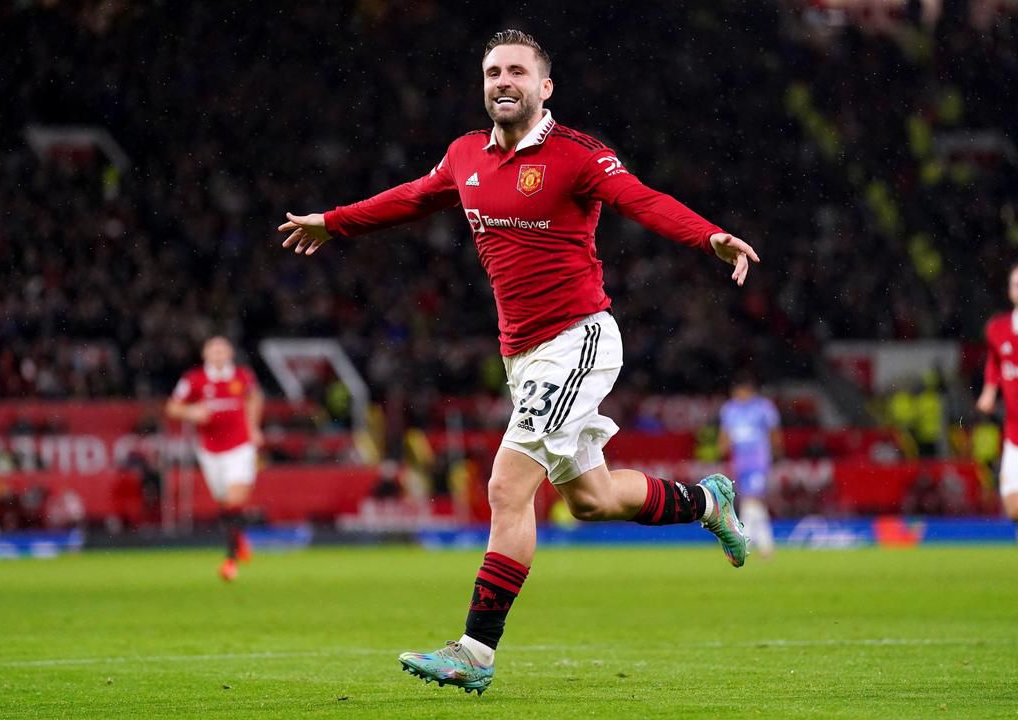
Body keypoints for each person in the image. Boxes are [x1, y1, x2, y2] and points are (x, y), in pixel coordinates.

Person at [277, 30, 759, 695]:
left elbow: (643, 199)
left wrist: (709, 235)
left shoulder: (578, 155)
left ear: (544, 87)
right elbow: (413, 197)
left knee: (507, 488)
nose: (503, 81)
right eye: (493, 72)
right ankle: (708, 502)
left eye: (517, 72)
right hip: (523, 355)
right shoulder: (465, 154)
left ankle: (475, 650)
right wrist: (335, 222)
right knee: (591, 500)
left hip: (578, 340)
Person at [165, 336, 264, 581]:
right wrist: (192, 411)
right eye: (214, 351)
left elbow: (255, 398)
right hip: (210, 451)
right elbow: (172, 407)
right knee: (224, 501)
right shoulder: (194, 379)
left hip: (240, 447)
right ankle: (238, 538)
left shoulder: (242, 376)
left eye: (222, 351)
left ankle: (230, 561)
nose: (218, 355)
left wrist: (253, 427)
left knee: (234, 498)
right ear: (205, 355)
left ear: (230, 354)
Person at [719, 373, 782, 558]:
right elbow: (725, 434)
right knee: (752, 501)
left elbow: (774, 432)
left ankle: (743, 542)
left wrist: (777, 452)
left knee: (751, 498)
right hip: (740, 462)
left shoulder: (764, 407)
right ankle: (766, 545)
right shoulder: (729, 409)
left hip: (758, 460)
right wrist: (722, 448)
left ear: (747, 390)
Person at [976, 262, 1018, 536]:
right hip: (1013, 432)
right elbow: (994, 360)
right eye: (1015, 284)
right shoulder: (997, 329)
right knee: (1012, 508)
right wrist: (989, 390)